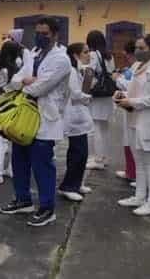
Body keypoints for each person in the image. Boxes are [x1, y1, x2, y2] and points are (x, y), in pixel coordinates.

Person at [0, 17, 70, 227]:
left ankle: (47, 208)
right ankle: (23, 201)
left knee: (42, 165)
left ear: (55, 35)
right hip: (24, 118)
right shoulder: (34, 54)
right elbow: (14, 79)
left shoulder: (61, 59)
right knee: (19, 160)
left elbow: (41, 88)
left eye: (45, 33)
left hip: (45, 119)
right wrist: (25, 81)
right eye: (37, 32)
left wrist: (26, 83)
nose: (40, 36)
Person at [115, 34, 150, 216]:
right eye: (137, 47)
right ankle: (139, 196)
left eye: (142, 48)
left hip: (149, 122)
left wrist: (132, 102)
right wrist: (122, 95)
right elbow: (133, 88)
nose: (137, 51)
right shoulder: (138, 67)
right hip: (135, 121)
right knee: (139, 162)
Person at [0, 40, 33, 186]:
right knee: (10, 141)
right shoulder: (19, 69)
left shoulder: (3, 72)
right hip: (14, 109)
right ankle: (10, 168)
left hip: (0, 110)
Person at [58, 43, 95, 202]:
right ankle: (68, 186)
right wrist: (88, 96)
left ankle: (77, 183)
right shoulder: (72, 71)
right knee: (78, 153)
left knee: (82, 153)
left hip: (80, 115)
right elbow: (75, 94)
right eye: (85, 52)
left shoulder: (80, 70)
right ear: (75, 55)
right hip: (74, 117)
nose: (89, 55)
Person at [86, 30, 116, 170]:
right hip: (108, 93)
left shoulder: (93, 54)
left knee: (95, 126)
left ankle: (97, 159)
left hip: (97, 94)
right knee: (104, 127)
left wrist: (84, 91)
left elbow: (89, 73)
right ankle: (104, 157)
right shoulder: (109, 55)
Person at [113, 40, 138, 184]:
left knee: (133, 142)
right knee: (127, 140)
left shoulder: (140, 67)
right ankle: (130, 171)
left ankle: (135, 174)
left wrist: (119, 79)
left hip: (134, 108)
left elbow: (132, 87)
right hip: (128, 108)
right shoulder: (133, 67)